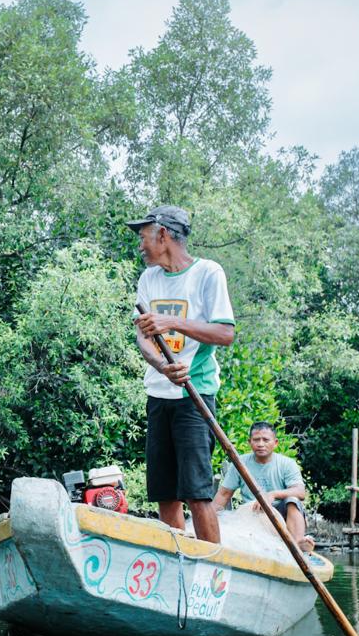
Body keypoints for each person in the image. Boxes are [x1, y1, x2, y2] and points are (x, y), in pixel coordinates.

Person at [129, 205, 235, 544]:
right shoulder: (148, 279)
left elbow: (224, 333)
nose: (141, 245)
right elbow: (143, 338)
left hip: (194, 394)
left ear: (163, 235)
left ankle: (213, 570)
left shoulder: (207, 273)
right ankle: (178, 564)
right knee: (166, 494)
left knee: (197, 492)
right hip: (159, 395)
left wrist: (171, 321)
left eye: (144, 237)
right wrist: (162, 366)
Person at [213, 422, 315, 552]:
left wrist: (271, 495)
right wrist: (206, 519)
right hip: (252, 514)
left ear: (275, 442)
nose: (261, 444)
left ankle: (297, 544)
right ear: (250, 442)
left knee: (293, 500)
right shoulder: (240, 463)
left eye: (266, 440)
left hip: (281, 516)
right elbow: (223, 495)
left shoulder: (287, 463)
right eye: (256, 440)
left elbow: (300, 492)